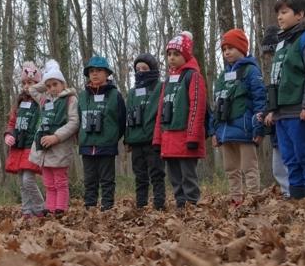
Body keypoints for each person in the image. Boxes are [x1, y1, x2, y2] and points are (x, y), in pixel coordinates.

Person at [264, 0, 305, 201]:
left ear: (300, 14)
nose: (280, 18)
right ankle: (297, 197)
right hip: (282, 112)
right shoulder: (282, 43)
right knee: (290, 159)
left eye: (284, 12)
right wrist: (271, 109)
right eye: (278, 14)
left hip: (301, 110)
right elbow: (276, 78)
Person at [209, 29, 267, 209]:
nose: (227, 52)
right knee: (230, 168)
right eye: (224, 49)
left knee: (249, 167)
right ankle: (236, 199)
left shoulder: (251, 71)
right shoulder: (222, 76)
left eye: (231, 48)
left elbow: (260, 100)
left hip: (245, 129)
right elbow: (216, 104)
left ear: (242, 48)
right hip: (225, 132)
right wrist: (214, 131)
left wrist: (258, 127)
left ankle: (253, 199)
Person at [153, 32, 208, 210]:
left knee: (188, 176)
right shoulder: (168, 80)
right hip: (169, 139)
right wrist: (157, 139)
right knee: (174, 177)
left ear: (185, 55)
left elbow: (197, 107)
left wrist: (193, 137)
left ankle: (192, 205)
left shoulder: (193, 76)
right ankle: (180, 205)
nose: (172, 58)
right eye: (169, 54)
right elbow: (161, 110)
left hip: (186, 139)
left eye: (176, 54)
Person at [28, 60, 80, 215]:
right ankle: (50, 209)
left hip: (59, 147)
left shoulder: (71, 99)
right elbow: (32, 89)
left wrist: (56, 137)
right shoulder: (45, 100)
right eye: (48, 86)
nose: (51, 88)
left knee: (60, 181)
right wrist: (46, 81)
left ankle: (60, 209)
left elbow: (74, 122)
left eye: (55, 84)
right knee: (48, 183)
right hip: (43, 148)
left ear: (63, 83)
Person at [78, 55, 126, 211]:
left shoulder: (115, 95)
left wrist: (111, 137)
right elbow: (78, 118)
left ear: (107, 74)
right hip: (86, 145)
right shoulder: (82, 96)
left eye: (99, 70)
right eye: (91, 71)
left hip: (106, 145)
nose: (95, 74)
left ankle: (107, 207)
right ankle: (90, 206)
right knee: (89, 179)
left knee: (107, 179)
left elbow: (121, 120)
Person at [4, 61, 46, 218]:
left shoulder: (41, 101)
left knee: (28, 180)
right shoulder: (19, 102)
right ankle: (27, 211)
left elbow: (44, 121)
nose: (27, 86)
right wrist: (9, 134)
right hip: (18, 145)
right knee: (21, 181)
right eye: (25, 83)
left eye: (31, 83)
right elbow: (12, 122)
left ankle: (40, 208)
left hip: (32, 145)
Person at [124, 53, 166, 210]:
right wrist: (127, 139)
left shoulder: (160, 87)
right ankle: (141, 205)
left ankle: (159, 205)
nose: (141, 71)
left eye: (145, 68)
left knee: (157, 173)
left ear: (152, 69)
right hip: (135, 141)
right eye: (138, 69)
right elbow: (128, 116)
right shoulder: (132, 92)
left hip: (153, 140)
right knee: (140, 176)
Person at [259, 26, 289, 197]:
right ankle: (287, 193)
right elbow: (270, 96)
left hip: (286, 119)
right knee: (277, 166)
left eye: (272, 53)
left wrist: (274, 111)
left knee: (289, 161)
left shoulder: (287, 66)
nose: (270, 58)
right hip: (275, 127)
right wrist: (265, 112)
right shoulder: (272, 72)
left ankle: (295, 194)